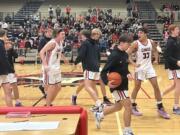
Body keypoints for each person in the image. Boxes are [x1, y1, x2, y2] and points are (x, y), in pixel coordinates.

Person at [94, 35, 134, 135]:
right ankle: (127, 131)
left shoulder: (124, 54)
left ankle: (99, 115)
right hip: (117, 86)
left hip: (124, 84)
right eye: (128, 44)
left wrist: (128, 73)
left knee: (118, 107)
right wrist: (107, 83)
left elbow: (124, 68)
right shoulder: (114, 55)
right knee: (128, 106)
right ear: (121, 43)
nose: (129, 47)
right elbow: (104, 72)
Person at [126, 27, 170, 119]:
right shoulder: (135, 43)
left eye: (141, 33)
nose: (139, 34)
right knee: (137, 87)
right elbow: (127, 54)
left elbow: (155, 50)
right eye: (138, 33)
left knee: (156, 86)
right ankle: (132, 105)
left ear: (145, 34)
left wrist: (156, 59)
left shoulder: (151, 42)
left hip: (149, 68)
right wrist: (133, 63)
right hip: (140, 69)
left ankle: (160, 107)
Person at [71, 29, 112, 105]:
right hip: (89, 67)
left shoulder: (95, 44)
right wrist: (76, 63)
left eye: (99, 35)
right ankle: (99, 102)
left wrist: (75, 63)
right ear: (93, 34)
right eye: (98, 35)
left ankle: (99, 102)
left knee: (90, 85)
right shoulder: (87, 43)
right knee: (89, 85)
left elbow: (97, 56)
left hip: (94, 67)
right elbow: (82, 55)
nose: (99, 37)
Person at [40, 29, 66, 106]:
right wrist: (45, 65)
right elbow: (41, 52)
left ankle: (49, 102)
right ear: (57, 34)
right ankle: (48, 105)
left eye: (64, 34)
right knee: (51, 87)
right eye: (62, 34)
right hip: (49, 67)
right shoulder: (52, 43)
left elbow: (58, 52)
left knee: (58, 87)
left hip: (56, 67)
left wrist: (64, 59)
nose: (64, 35)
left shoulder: (61, 42)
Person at [164, 24, 180, 115]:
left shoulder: (177, 39)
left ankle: (160, 96)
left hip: (178, 66)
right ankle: (175, 107)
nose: (178, 30)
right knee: (178, 86)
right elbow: (167, 56)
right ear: (172, 31)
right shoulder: (170, 42)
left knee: (174, 85)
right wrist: (176, 61)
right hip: (173, 67)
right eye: (177, 29)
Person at [5, 37, 23, 107]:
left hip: (10, 71)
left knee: (14, 85)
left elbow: (16, 56)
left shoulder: (10, 50)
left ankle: (17, 102)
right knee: (7, 88)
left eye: (8, 42)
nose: (7, 43)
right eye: (6, 42)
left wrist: (11, 48)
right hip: (3, 71)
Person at [0, 29, 13, 106]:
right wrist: (11, 70)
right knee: (8, 92)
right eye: (6, 35)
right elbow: (3, 59)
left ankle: (11, 110)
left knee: (8, 91)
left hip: (3, 72)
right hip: (1, 72)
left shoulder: (2, 44)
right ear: (4, 35)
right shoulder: (0, 44)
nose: (6, 37)